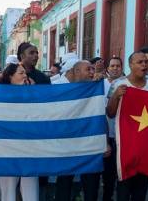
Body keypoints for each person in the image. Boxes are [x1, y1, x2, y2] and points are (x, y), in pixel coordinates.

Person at [106, 51, 148, 201]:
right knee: (123, 186)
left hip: (145, 145)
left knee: (141, 188)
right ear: (130, 65)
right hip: (124, 145)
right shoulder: (118, 84)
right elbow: (110, 113)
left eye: (145, 62)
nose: (144, 65)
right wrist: (116, 96)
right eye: (140, 62)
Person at [55, 61, 101, 201]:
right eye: (88, 69)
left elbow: (101, 115)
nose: (92, 72)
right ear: (76, 72)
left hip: (89, 144)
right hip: (66, 144)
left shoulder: (95, 90)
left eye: (93, 69)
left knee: (91, 185)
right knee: (64, 183)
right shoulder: (59, 89)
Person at [0, 63, 38, 201]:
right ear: (10, 76)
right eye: (21, 73)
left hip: (29, 148)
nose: (25, 76)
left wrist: (34, 92)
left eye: (25, 73)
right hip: (7, 149)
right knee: (8, 191)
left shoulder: (33, 94)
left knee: (31, 191)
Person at [102, 57, 123, 201]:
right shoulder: (99, 84)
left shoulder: (127, 84)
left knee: (122, 174)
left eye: (118, 66)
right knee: (108, 175)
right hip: (105, 136)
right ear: (108, 68)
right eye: (112, 66)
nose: (115, 68)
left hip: (122, 136)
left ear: (122, 68)